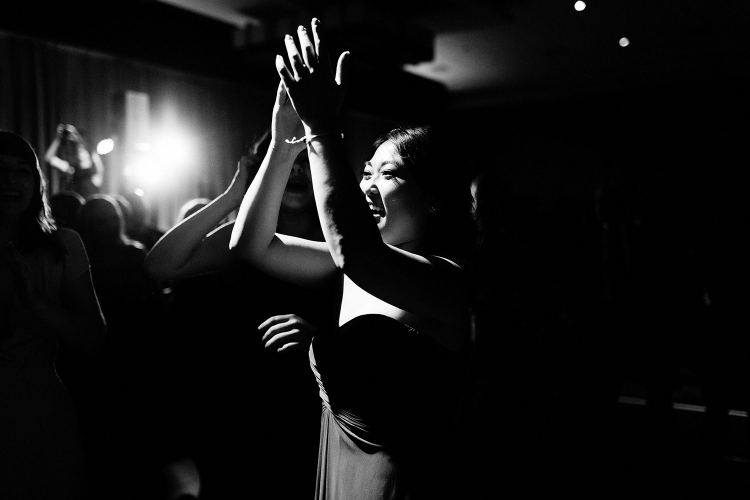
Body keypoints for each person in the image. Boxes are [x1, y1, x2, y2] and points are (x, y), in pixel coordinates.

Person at [230, 19, 474, 499]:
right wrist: (283, 142)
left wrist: (322, 127)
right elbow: (252, 245)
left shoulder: (446, 280)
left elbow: (355, 252)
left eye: (388, 173)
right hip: (338, 473)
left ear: (434, 197)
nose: (366, 186)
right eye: (365, 172)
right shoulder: (352, 264)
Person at [144, 132, 330, 499]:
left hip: (308, 397)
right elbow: (160, 264)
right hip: (240, 398)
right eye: (286, 161)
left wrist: (322, 339)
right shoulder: (243, 237)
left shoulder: (338, 240)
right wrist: (234, 195)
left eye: (305, 161)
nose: (296, 171)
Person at [0, 130, 106, 500]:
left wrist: (40, 306)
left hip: (39, 408)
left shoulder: (64, 245)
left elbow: (94, 339)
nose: (10, 180)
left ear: (36, 182)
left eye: (21, 171)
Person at [44, 124, 104, 199]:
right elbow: (49, 158)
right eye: (77, 150)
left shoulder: (95, 177)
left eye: (82, 150)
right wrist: (58, 139)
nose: (79, 153)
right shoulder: (71, 169)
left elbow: (99, 168)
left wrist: (77, 136)